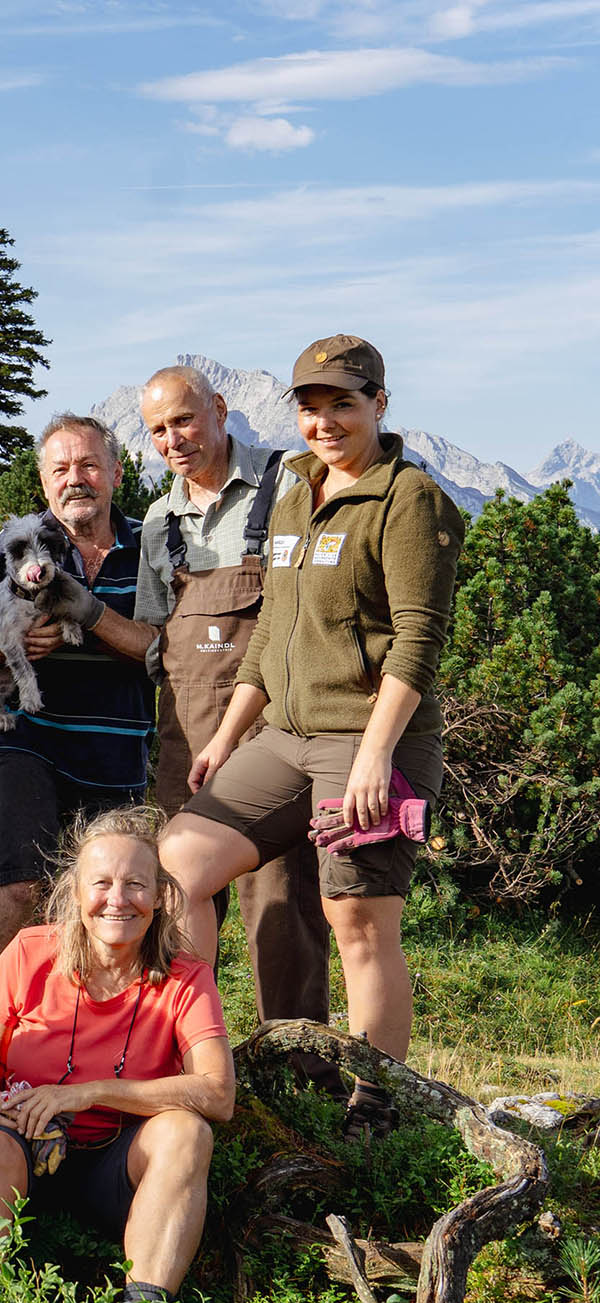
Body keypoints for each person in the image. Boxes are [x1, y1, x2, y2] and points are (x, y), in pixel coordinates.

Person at [159, 336, 465, 1137]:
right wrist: (226, 738)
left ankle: (376, 1101)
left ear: (378, 406)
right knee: (182, 862)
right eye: (310, 406)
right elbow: (270, 632)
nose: (324, 422)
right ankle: (198, 1055)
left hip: (370, 737)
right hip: (284, 734)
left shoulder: (408, 501)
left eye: (343, 404)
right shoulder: (293, 489)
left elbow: (418, 642)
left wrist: (374, 757)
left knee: (356, 913)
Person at [0, 806, 233, 1303]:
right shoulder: (31, 952)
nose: (117, 900)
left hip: (117, 1159)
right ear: (75, 893)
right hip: (19, 1141)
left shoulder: (186, 977)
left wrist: (88, 1092)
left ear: (161, 895)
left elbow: (218, 1094)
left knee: (188, 1133)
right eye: (101, 883)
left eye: (136, 885)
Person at [135, 368, 335, 1084]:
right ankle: (188, 1055)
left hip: (275, 733)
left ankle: (300, 1071)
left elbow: (307, 614)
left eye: (184, 421)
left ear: (220, 411)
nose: (173, 441)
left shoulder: (286, 487)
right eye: (158, 430)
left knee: (283, 905)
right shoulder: (160, 523)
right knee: (174, 901)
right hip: (184, 733)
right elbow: (157, 634)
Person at [0, 414, 157, 995]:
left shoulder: (152, 543)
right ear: (44, 484)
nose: (77, 479)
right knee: (22, 878)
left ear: (116, 473)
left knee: (107, 894)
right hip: (26, 733)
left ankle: (90, 1023)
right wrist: (0, 644)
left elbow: (165, 652)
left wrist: (88, 616)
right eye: (61, 469)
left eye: (90, 465)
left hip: (117, 744)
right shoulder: (18, 541)